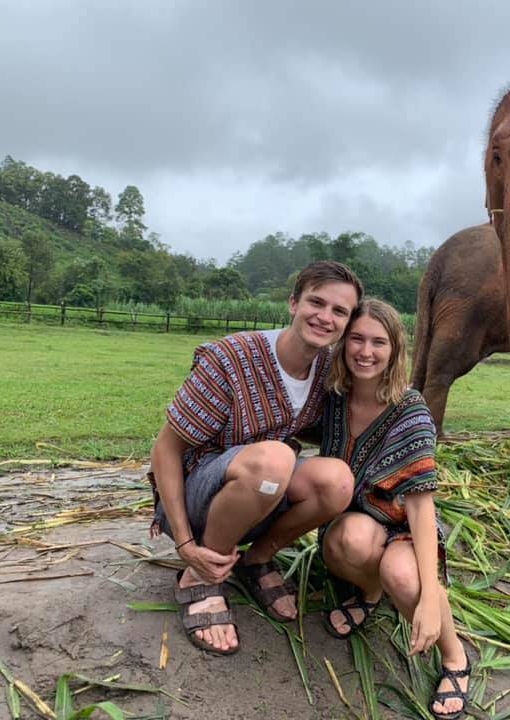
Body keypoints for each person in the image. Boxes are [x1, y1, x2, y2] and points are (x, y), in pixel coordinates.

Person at [149, 261, 362, 655]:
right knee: (275, 460)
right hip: (199, 494)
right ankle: (200, 575)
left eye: (339, 311)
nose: (325, 317)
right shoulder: (232, 358)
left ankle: (256, 560)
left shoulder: (326, 371)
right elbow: (165, 450)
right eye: (316, 302)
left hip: (259, 494)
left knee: (337, 481)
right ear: (293, 303)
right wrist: (182, 542)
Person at [311, 298, 470, 720]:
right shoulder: (333, 400)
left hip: (402, 522)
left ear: (395, 349)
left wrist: (431, 600)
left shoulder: (410, 409)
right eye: (357, 339)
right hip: (358, 518)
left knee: (403, 576)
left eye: (378, 342)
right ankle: (369, 592)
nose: (366, 351)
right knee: (346, 541)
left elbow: (421, 507)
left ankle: (455, 657)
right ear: (343, 344)